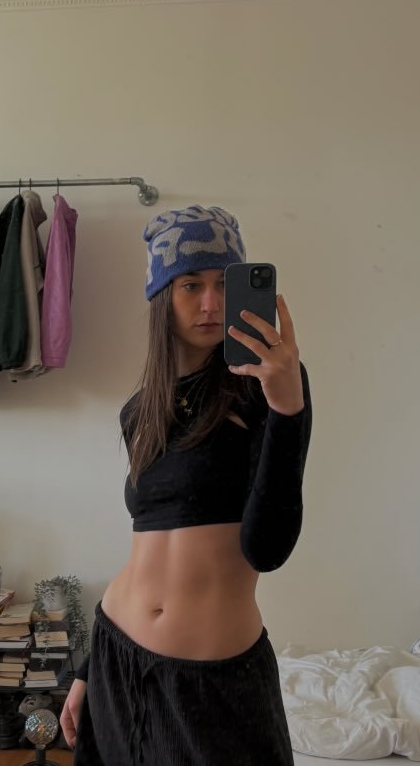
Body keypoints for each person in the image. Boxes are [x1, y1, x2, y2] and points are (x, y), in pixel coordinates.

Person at [61, 205, 313, 765]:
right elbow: (145, 555)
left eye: (224, 284)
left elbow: (268, 549)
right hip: (117, 657)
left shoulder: (268, 387)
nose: (210, 303)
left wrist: (287, 409)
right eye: (190, 285)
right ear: (161, 296)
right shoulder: (140, 410)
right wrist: (87, 670)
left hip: (212, 683)